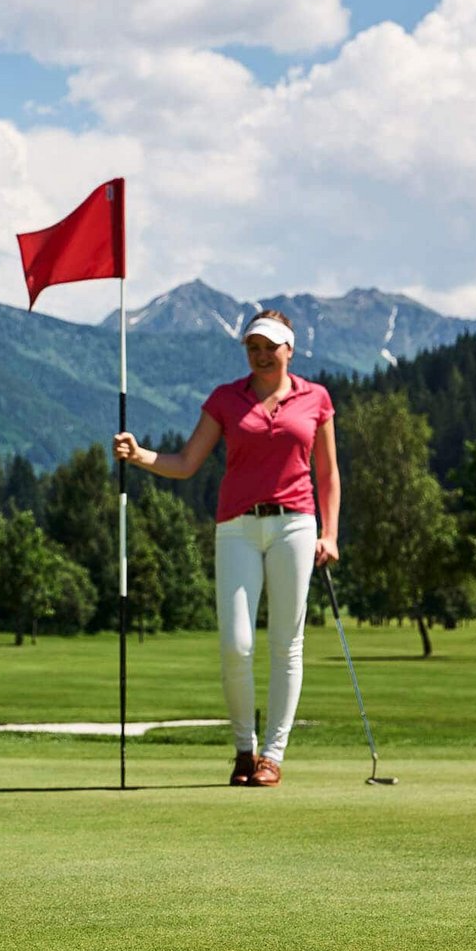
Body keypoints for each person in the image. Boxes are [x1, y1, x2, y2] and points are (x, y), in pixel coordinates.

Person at [112, 309, 340, 789]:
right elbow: (187, 461)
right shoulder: (225, 399)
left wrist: (330, 534)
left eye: (269, 347)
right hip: (236, 527)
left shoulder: (315, 398)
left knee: (285, 644)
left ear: (289, 349)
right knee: (236, 644)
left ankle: (272, 756)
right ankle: (244, 749)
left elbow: (328, 473)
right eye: (252, 347)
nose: (260, 355)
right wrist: (140, 455)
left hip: (295, 526)